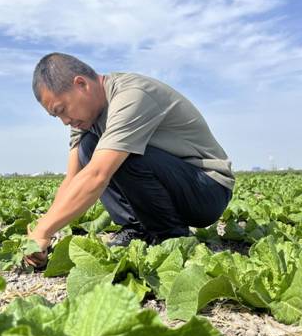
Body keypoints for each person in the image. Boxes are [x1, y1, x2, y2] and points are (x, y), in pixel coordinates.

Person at [25, 52, 234, 267]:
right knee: (89, 147)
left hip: (207, 189)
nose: (65, 121)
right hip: (175, 183)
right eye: (56, 116)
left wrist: (44, 230)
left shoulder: (131, 96)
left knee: (120, 154)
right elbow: (73, 178)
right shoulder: (83, 121)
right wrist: (42, 233)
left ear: (81, 84)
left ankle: (172, 239)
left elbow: (97, 175)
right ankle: (137, 229)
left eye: (62, 110)